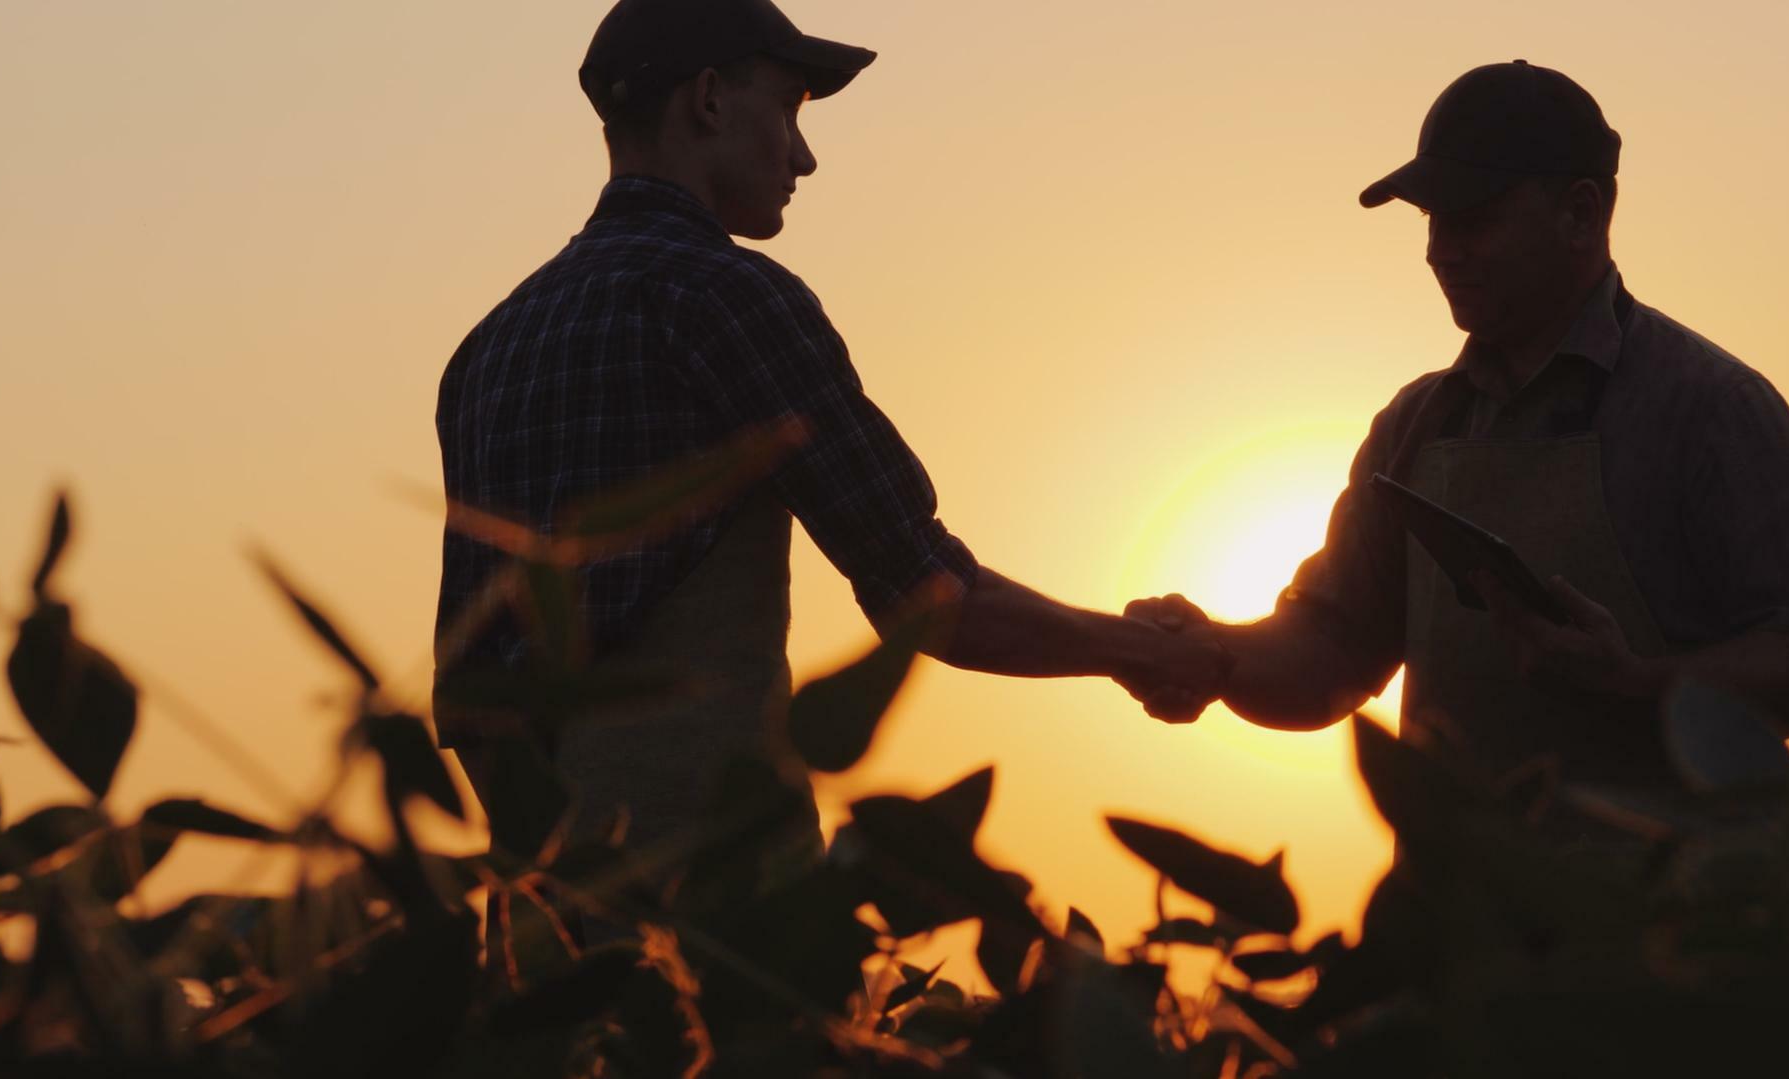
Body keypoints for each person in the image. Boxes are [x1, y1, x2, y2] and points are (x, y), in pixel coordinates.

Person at [434, 0, 1226, 851]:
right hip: (718, 918)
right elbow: (926, 592)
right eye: (788, 109)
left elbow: (470, 694)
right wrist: (1146, 651)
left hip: (544, 938)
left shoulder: (486, 350)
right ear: (707, 100)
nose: (804, 156)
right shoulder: (727, 300)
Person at [1122, 61, 1789, 794]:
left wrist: (1641, 682)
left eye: (1474, 218)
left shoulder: (1715, 409)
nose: (1442, 251)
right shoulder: (1413, 427)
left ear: (1582, 212)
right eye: (1434, 221)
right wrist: (1211, 652)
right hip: (1454, 912)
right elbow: (1330, 658)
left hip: (1669, 911)